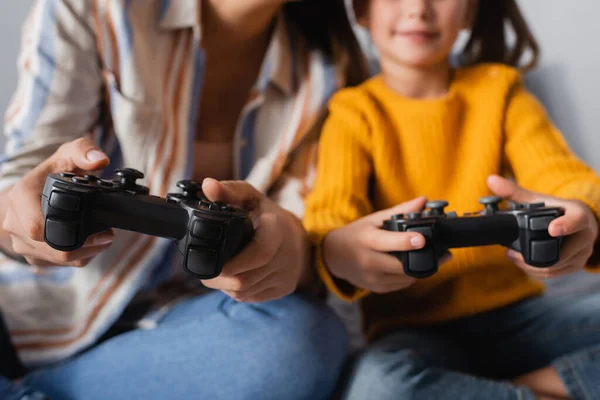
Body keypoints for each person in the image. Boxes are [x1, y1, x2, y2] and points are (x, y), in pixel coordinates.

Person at [0, 0, 370, 399]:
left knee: (307, 338)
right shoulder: (92, 8)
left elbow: (303, 240)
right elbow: (15, 190)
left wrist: (290, 248)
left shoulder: (329, 74)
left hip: (182, 330)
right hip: (30, 317)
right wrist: (21, 219)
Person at [303, 0, 600, 399]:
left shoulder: (501, 90)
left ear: (470, 10)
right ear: (360, 10)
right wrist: (340, 252)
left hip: (522, 318)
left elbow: (561, 176)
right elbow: (330, 223)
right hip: (414, 333)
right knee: (379, 388)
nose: (418, 9)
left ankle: (520, 388)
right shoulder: (352, 113)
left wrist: (584, 213)